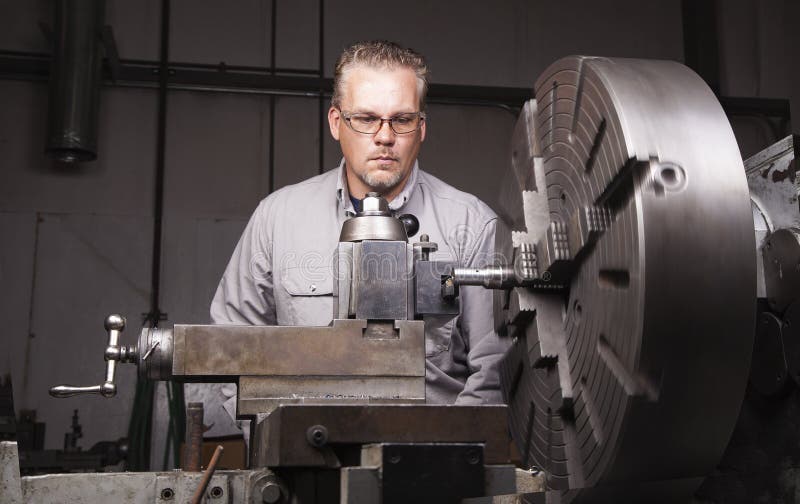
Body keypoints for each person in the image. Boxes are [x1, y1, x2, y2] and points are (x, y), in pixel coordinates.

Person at [211, 40, 508, 405]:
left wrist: (448, 453)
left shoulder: (471, 224)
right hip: (304, 453)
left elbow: (494, 370)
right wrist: (274, 439)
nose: (385, 136)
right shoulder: (277, 218)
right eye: (366, 119)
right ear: (337, 123)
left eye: (402, 120)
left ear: (422, 127)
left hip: (433, 454)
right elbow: (228, 346)